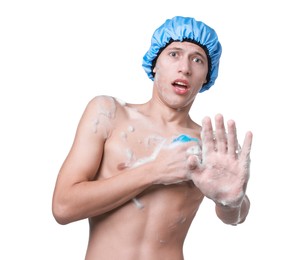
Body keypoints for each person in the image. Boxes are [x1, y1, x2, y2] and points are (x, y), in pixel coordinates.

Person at [52, 16, 253, 260]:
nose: (185, 68)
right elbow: (63, 207)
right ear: (155, 63)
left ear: (206, 77)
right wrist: (155, 170)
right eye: (174, 54)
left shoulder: (209, 145)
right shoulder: (109, 114)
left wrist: (230, 201)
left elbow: (235, 215)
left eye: (197, 60)